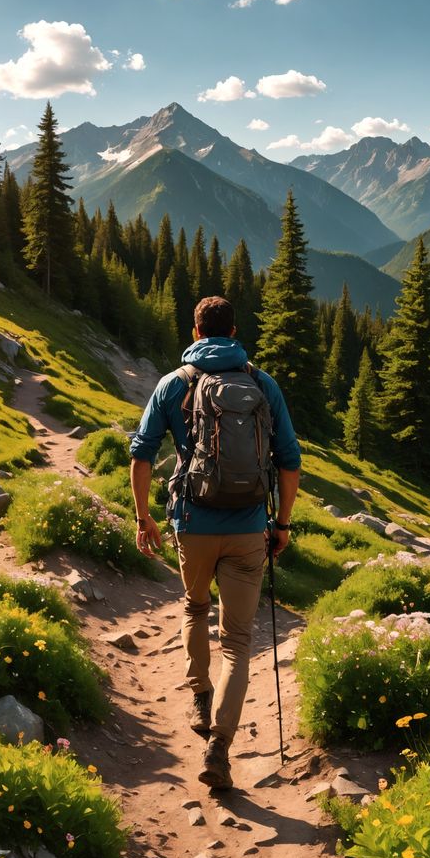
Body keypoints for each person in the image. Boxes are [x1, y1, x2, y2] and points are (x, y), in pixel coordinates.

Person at [129, 295, 301, 791]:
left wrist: (144, 518)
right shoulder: (262, 385)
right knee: (240, 643)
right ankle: (220, 747)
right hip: (249, 529)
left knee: (195, 607)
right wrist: (282, 524)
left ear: (196, 330)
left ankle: (200, 697)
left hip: (192, 523)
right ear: (235, 329)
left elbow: (142, 455)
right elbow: (289, 461)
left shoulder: (173, 384)